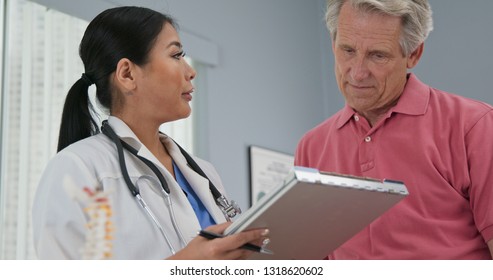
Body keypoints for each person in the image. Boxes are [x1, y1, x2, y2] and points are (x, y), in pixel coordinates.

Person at [32, 6, 269, 260]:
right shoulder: (78, 168)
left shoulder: (203, 172)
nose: (191, 71)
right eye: (176, 55)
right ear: (127, 74)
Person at [295, 0, 493, 259]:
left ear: (413, 53)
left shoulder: (475, 126)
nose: (357, 73)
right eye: (347, 50)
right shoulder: (311, 147)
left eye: (377, 55)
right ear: (333, 45)